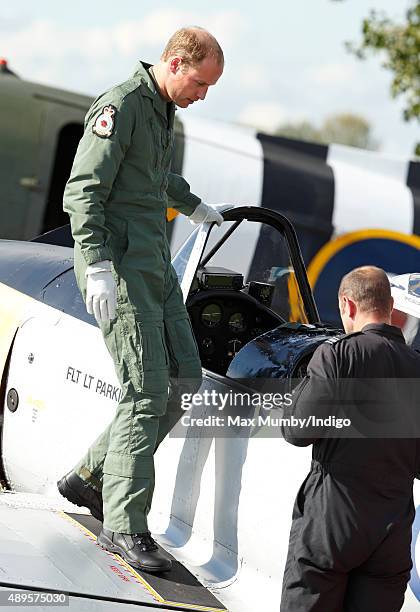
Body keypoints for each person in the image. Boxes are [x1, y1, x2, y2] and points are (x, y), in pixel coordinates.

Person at [57, 27, 225, 573]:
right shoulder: (122, 105)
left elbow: (151, 178)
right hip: (120, 267)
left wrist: (195, 206)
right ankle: (123, 525)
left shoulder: (159, 111)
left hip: (153, 265)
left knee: (185, 378)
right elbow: (83, 189)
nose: (203, 95)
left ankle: (89, 477)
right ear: (176, 62)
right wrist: (98, 266)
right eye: (201, 83)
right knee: (147, 390)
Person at [280, 266, 420, 611]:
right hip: (392, 536)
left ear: (348, 305)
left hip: (331, 525)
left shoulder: (337, 355)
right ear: (390, 307)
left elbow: (299, 430)